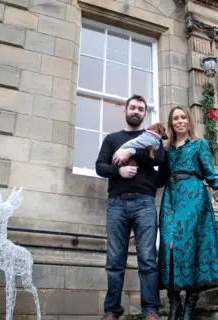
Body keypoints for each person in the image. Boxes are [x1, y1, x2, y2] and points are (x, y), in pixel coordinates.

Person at [158, 106, 218, 320]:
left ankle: (190, 307)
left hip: (194, 197)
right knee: (169, 246)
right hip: (171, 199)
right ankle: (175, 302)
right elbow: (160, 177)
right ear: (171, 123)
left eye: (183, 117)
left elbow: (209, 173)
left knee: (191, 246)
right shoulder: (166, 150)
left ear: (189, 121)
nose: (180, 121)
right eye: (175, 118)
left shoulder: (199, 144)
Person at [96, 94, 164, 320]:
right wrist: (119, 171)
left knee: (148, 259)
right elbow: (100, 167)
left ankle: (151, 310)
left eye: (140, 109)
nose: (136, 111)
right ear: (125, 110)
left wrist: (131, 151)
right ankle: (112, 311)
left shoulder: (152, 138)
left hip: (145, 203)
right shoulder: (112, 138)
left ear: (145, 114)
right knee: (114, 261)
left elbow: (160, 161)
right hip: (117, 204)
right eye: (132, 108)